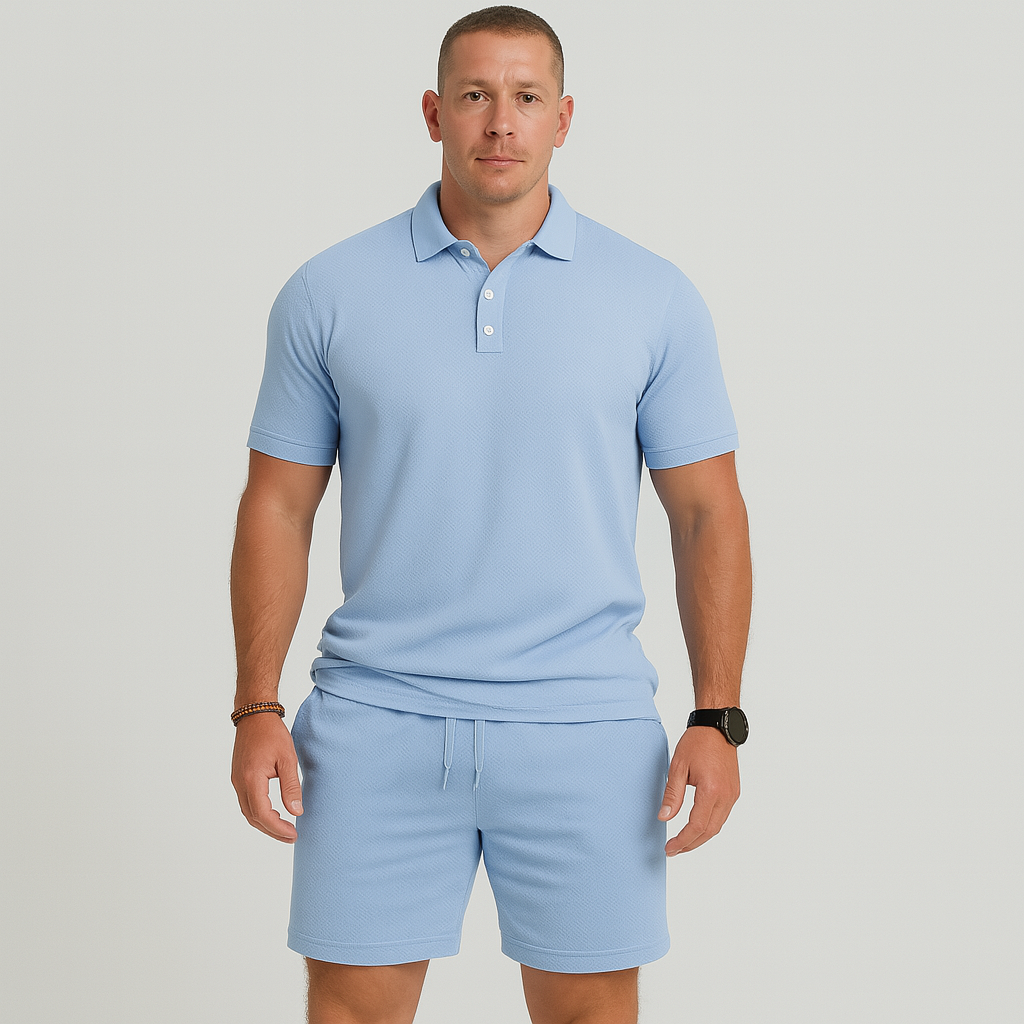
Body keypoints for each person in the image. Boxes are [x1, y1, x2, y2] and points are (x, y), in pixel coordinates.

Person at [229, 6, 752, 1023]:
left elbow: (707, 515)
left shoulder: (653, 297)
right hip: (376, 718)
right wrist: (257, 708)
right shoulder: (329, 291)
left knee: (590, 1012)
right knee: (351, 1011)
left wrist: (715, 715)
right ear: (434, 113)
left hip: (585, 726)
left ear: (564, 117)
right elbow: (278, 506)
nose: (500, 121)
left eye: (525, 97)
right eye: (474, 95)